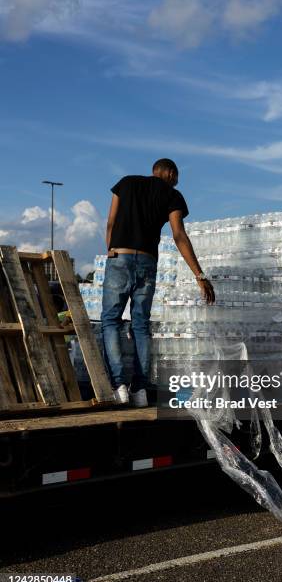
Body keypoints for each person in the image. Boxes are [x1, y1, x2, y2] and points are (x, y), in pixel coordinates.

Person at [101, 158, 215, 407]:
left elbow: (110, 222)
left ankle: (119, 386)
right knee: (140, 325)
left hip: (119, 256)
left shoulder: (126, 183)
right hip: (147, 262)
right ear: (170, 173)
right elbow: (178, 235)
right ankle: (139, 390)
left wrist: (111, 251)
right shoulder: (173, 196)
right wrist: (200, 275)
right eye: (177, 177)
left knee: (111, 320)